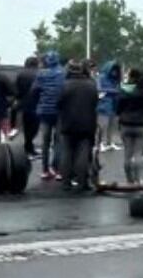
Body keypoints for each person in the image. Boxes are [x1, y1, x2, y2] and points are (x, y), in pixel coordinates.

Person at [57, 60, 100, 191]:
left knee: (67, 152)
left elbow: (58, 103)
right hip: (87, 123)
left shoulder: (65, 85)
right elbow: (95, 102)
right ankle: (82, 182)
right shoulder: (91, 85)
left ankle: (66, 182)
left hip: (68, 123)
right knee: (83, 152)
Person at [32, 51, 66, 180]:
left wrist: (39, 102)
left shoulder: (41, 74)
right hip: (59, 111)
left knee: (45, 141)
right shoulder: (63, 73)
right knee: (59, 140)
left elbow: (34, 90)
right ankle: (57, 169)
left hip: (44, 111)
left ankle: (45, 170)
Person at [117, 68, 143, 184]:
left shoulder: (123, 91)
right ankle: (138, 180)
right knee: (138, 154)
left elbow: (118, 108)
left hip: (126, 124)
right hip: (142, 125)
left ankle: (129, 180)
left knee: (127, 154)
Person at [15, 56, 41, 156]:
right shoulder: (39, 74)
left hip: (24, 104)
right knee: (35, 127)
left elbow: (17, 90)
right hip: (36, 103)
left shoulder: (21, 74)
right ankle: (29, 145)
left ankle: (28, 145)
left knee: (26, 126)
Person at [97, 61, 122, 151]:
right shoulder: (101, 78)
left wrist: (110, 91)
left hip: (114, 105)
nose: (114, 72)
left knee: (112, 126)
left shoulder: (116, 80)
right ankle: (101, 143)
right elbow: (99, 89)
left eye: (116, 70)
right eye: (113, 70)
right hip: (103, 106)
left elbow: (118, 90)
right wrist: (113, 91)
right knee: (103, 126)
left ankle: (110, 142)